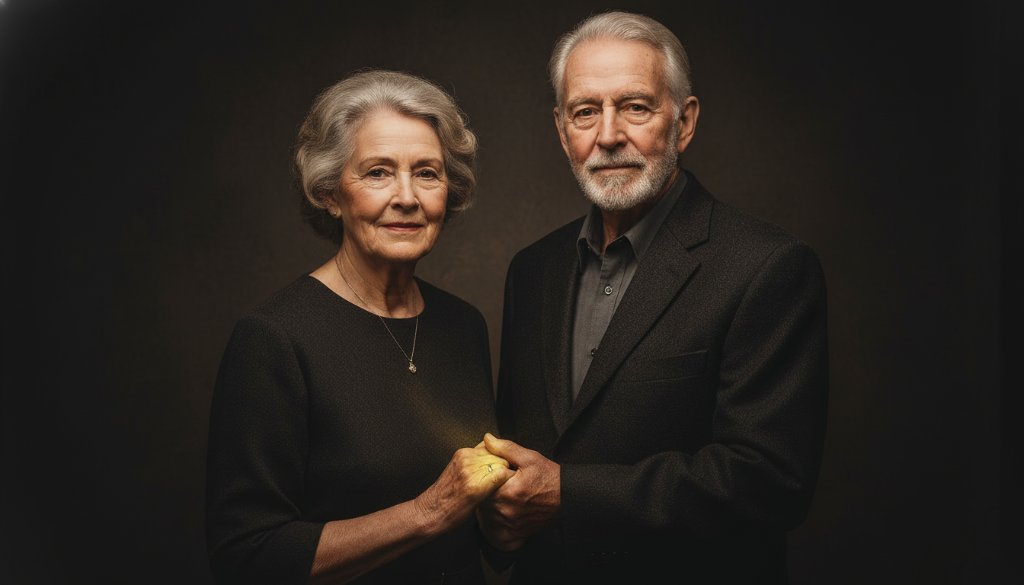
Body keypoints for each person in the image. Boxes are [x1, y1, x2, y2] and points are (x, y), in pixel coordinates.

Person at [477, 11, 829, 584]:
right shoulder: (532, 271)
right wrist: (497, 523)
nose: (608, 135)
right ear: (562, 131)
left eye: (635, 107)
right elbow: (519, 454)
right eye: (585, 111)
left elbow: (770, 482)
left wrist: (569, 494)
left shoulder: (767, 266)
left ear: (684, 123)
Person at [206, 69, 514, 585]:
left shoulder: (463, 326)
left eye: (427, 173)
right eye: (377, 173)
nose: (407, 197)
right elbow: (247, 557)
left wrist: (505, 520)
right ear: (330, 193)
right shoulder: (274, 338)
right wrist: (428, 512)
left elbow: (479, 529)